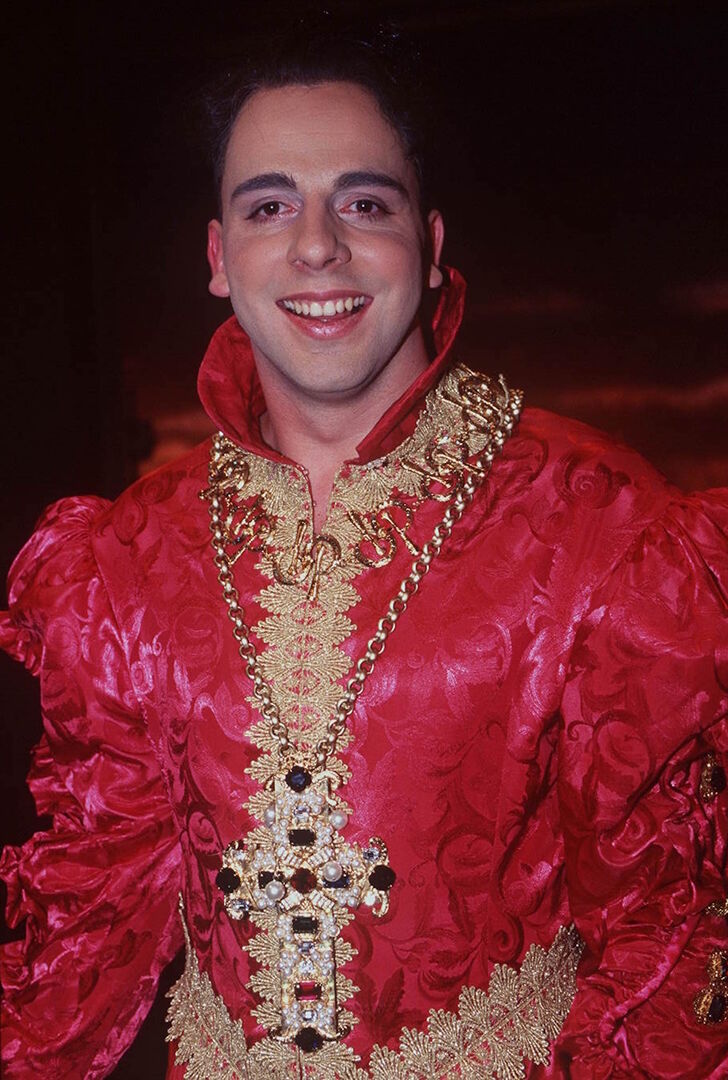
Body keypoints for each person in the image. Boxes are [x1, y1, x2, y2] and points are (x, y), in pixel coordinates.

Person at [1, 18, 727, 1080]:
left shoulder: (600, 527)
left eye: (362, 203)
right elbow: (88, 908)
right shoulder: (127, 554)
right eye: (268, 206)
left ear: (428, 248)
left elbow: (667, 933)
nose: (315, 246)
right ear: (218, 257)